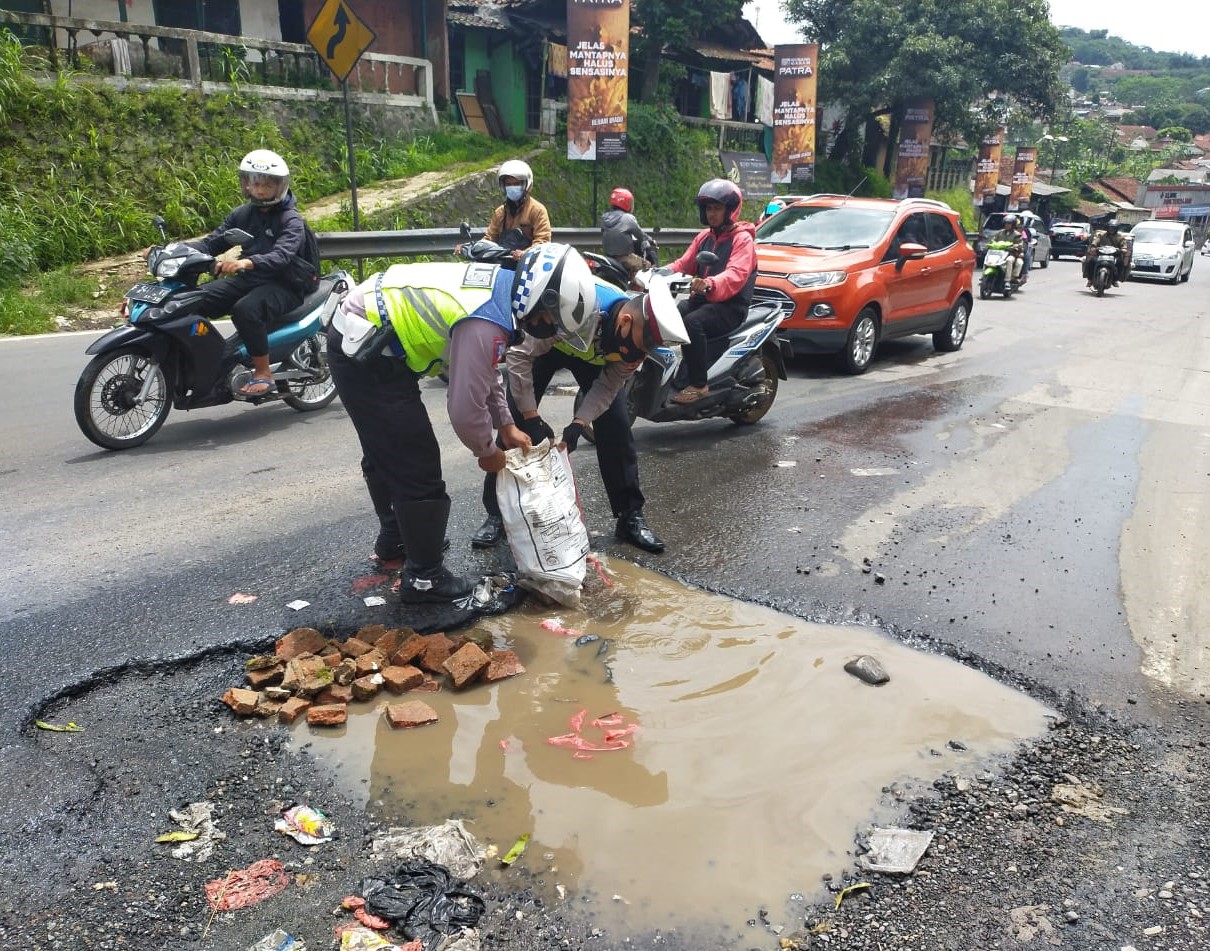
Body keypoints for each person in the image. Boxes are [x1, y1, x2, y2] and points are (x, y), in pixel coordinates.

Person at [327, 243, 597, 603]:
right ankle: (425, 579)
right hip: (366, 348)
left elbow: (485, 372)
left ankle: (396, 540)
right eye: (551, 321)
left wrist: (505, 425)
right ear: (539, 300)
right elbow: (465, 410)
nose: (548, 330)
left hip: (369, 336)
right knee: (415, 461)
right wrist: (486, 451)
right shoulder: (487, 320)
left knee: (386, 448)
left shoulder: (500, 291)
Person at [470, 275, 689, 555]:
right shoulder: (578, 304)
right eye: (641, 346)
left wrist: (579, 423)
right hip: (545, 345)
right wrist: (532, 416)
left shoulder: (636, 345)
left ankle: (629, 515)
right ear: (625, 322)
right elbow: (520, 355)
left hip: (591, 358)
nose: (640, 355)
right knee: (513, 423)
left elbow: (609, 386)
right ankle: (497, 514)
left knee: (617, 425)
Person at [172, 149, 318, 398]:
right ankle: (211, 359)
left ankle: (263, 374)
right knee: (190, 300)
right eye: (255, 184)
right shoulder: (242, 214)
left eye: (266, 185)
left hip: (287, 283)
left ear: (279, 186)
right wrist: (174, 249)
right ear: (246, 184)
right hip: (253, 278)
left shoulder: (291, 220)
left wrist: (245, 263)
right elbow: (212, 243)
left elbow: (282, 256)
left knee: (246, 310)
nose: (259, 190)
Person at [666, 179, 757, 404]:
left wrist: (710, 283)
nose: (712, 214)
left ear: (730, 210)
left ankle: (699, 384)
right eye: (708, 209)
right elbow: (683, 263)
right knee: (672, 314)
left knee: (692, 323)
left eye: (717, 208)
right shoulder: (704, 237)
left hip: (730, 306)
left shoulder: (742, 239)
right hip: (705, 301)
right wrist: (658, 273)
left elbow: (736, 273)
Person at [485, 159, 552, 258]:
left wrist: (525, 253)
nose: (512, 187)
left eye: (516, 184)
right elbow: (489, 238)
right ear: (503, 187)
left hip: (528, 265)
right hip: (502, 263)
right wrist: (470, 248)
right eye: (508, 184)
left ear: (526, 185)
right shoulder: (500, 212)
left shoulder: (537, 210)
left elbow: (543, 241)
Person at [600, 187, 654, 283]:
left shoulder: (605, 218)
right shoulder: (628, 218)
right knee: (647, 265)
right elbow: (640, 235)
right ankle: (635, 292)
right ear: (626, 203)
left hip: (608, 257)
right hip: (624, 258)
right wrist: (650, 240)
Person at [1083, 218, 1129, 286]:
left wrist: (1122, 250)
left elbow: (1124, 247)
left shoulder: (1120, 237)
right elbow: (1095, 241)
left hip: (1114, 255)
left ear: (1116, 229)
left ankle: (1115, 279)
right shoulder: (1101, 235)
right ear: (1107, 228)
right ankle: (1090, 279)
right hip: (1100, 254)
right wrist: (1093, 246)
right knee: (1091, 261)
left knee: (1120, 262)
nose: (1111, 230)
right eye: (1110, 228)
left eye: (1113, 228)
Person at [990, 214, 1026, 285]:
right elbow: (993, 240)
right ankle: (984, 277)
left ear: (1013, 225)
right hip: (999, 253)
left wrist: (1016, 246)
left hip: (1011, 254)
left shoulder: (1017, 234)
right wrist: (990, 244)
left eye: (1009, 224)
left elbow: (1020, 244)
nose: (1007, 225)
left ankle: (1007, 281)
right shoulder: (1000, 232)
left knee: (1009, 260)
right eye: (1006, 223)